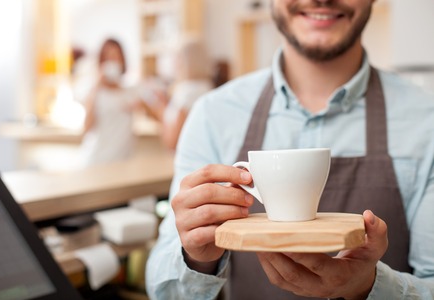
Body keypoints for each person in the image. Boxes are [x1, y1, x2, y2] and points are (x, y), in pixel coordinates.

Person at [146, 0, 434, 299]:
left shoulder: (427, 122)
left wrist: (369, 286)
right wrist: (195, 257)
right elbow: (163, 292)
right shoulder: (213, 116)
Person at [141, 36, 214, 151]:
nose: (174, 62)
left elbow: (172, 141)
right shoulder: (207, 88)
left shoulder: (186, 93)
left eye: (177, 57)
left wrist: (160, 109)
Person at [79, 38, 141, 167]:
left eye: (116, 57)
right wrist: (97, 85)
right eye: (108, 58)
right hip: (97, 160)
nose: (112, 62)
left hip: (123, 161)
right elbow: (86, 127)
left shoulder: (131, 92)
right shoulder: (93, 91)